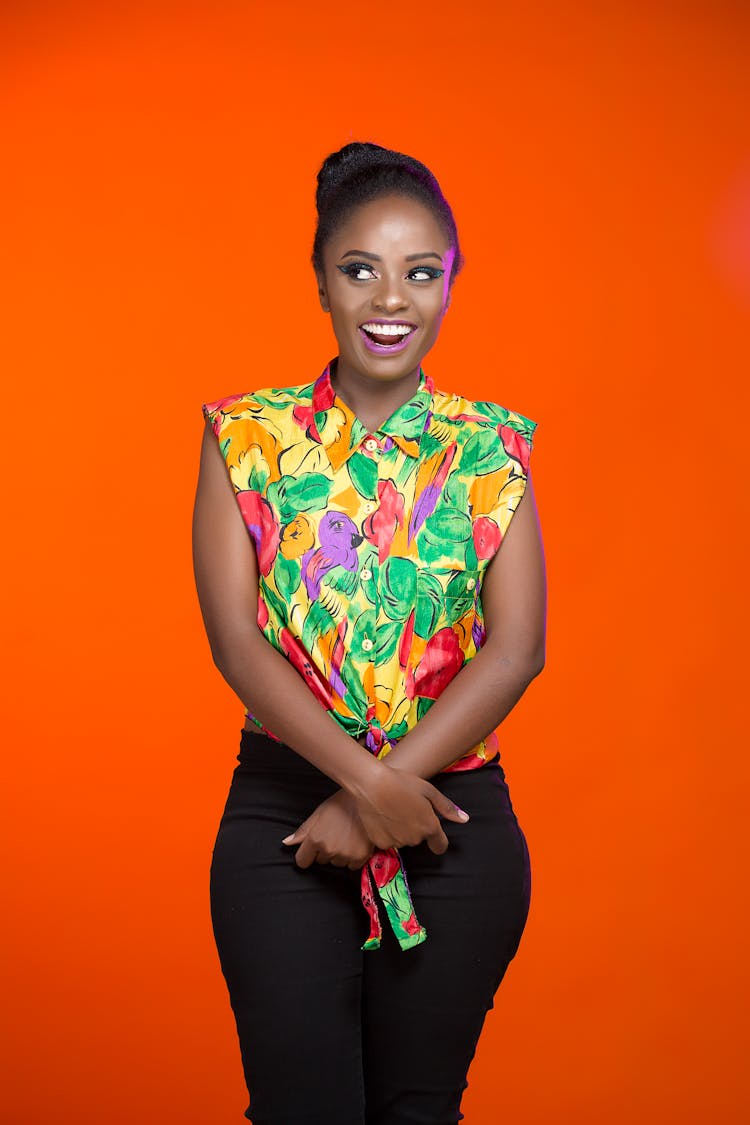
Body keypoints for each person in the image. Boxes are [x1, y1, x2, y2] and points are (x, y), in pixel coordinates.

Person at [192, 140, 547, 1125]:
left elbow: (518, 647)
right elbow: (236, 643)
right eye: (362, 270)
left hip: (457, 824)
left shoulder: (493, 445)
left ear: (447, 286)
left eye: (421, 273)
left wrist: (385, 799)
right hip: (283, 819)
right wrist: (368, 786)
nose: (392, 299)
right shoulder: (244, 436)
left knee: (416, 1111)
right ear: (321, 281)